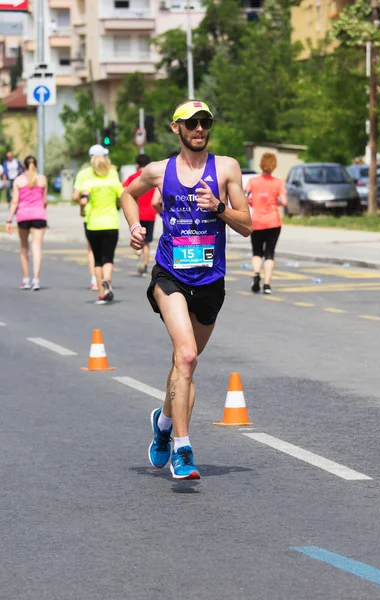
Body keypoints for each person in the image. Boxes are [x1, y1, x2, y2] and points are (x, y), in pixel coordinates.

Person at [120, 99, 252, 480]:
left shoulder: (226, 168)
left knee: (183, 365)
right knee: (188, 357)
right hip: (170, 275)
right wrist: (133, 227)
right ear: (176, 128)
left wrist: (220, 207)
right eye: (192, 123)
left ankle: (162, 424)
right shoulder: (159, 171)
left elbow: (247, 226)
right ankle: (183, 448)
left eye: (205, 123)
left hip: (210, 281)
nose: (199, 130)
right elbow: (128, 194)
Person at [78, 149, 123, 304]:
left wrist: (83, 211)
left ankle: (101, 293)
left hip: (93, 224)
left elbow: (83, 201)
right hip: (111, 222)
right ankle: (108, 280)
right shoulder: (114, 182)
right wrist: (117, 206)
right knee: (108, 257)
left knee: (97, 259)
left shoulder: (89, 183)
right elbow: (122, 198)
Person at [245, 152, 287, 295]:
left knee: (256, 252)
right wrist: (275, 202)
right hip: (273, 221)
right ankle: (267, 284)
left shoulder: (253, 181)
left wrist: (252, 202)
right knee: (269, 253)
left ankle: (256, 273)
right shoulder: (278, 182)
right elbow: (284, 201)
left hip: (256, 221)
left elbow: (245, 196)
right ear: (274, 165)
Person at [5, 155, 48, 290]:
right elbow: (45, 200)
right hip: (39, 215)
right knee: (37, 247)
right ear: (37, 165)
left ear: (23, 166)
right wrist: (40, 209)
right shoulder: (42, 179)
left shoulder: (19, 180)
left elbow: (15, 201)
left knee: (24, 248)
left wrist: (9, 219)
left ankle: (26, 279)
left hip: (23, 216)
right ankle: (36, 279)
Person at [72, 145, 110, 291]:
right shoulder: (110, 171)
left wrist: (83, 202)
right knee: (108, 253)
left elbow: (75, 195)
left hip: (90, 216)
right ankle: (106, 279)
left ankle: (95, 279)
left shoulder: (83, 174)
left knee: (92, 250)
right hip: (110, 217)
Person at [122, 154, 160, 276]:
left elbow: (124, 191)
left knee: (138, 240)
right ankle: (144, 265)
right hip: (151, 214)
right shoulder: (153, 177)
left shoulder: (133, 177)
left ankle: (139, 254)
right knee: (147, 242)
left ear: (137, 164)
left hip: (137, 215)